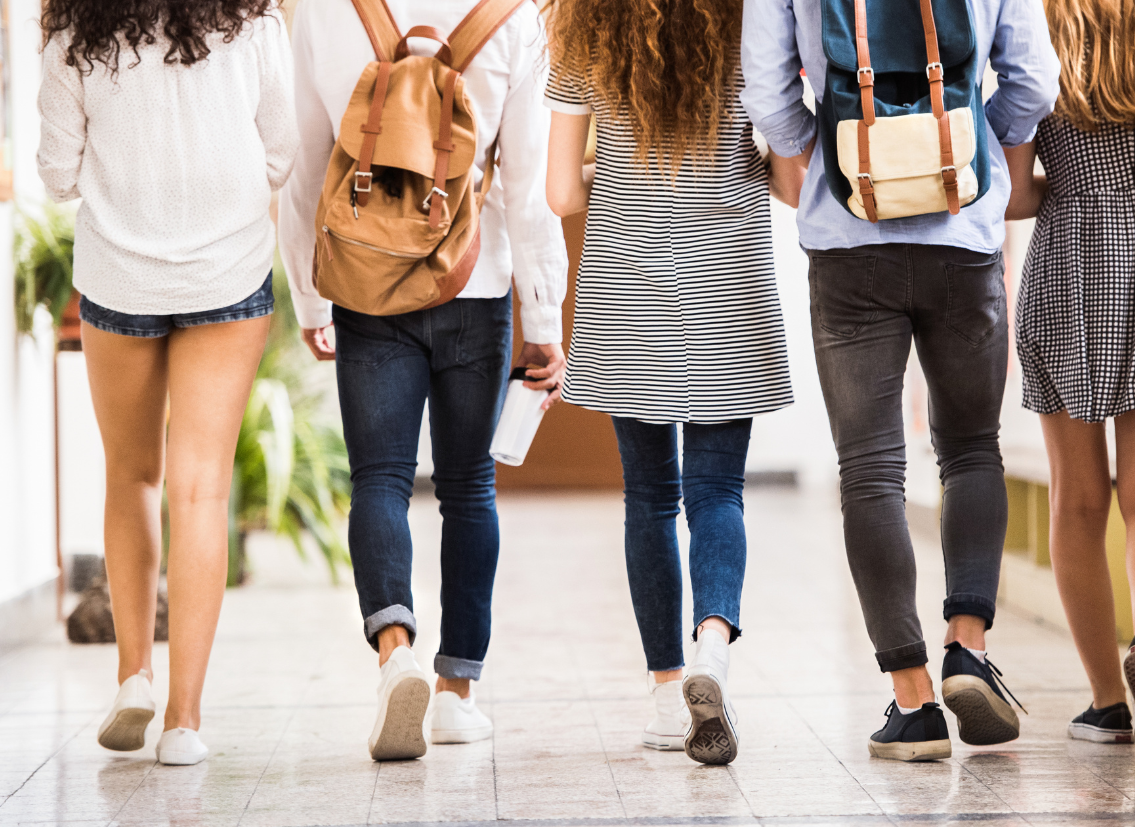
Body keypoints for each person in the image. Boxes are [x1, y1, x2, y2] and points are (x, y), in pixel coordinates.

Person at [741, 0, 1060, 760]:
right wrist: (978, 140)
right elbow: (1036, 81)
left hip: (849, 238)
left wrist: (824, 151)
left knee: (870, 471)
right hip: (964, 227)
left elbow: (766, 91)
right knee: (973, 449)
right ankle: (968, 646)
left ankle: (913, 701)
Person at [280, 0, 568, 761]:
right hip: (475, 284)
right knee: (468, 488)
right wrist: (543, 318)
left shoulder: (323, 12)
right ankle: (454, 695)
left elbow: (306, 166)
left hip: (367, 284)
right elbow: (529, 191)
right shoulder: (513, 17)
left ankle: (394, 652)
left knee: (378, 478)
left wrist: (311, 295)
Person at [37, 0, 297, 765]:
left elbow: (55, 175)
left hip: (119, 279)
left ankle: (132, 677)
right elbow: (278, 154)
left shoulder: (71, 34)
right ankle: (184, 721)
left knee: (132, 476)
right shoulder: (252, 26)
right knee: (200, 490)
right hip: (227, 274)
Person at [544, 0, 796, 766]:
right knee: (717, 490)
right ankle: (711, 650)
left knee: (649, 497)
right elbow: (788, 177)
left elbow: (561, 193)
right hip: (728, 278)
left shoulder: (585, 32)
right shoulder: (751, 24)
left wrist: (608, 166)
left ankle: (664, 694)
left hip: (629, 287)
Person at [1007, 0, 1135, 756]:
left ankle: (1107, 702)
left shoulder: (1039, 48)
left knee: (1078, 502)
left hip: (1070, 276)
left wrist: (1083, 197)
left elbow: (1017, 195)